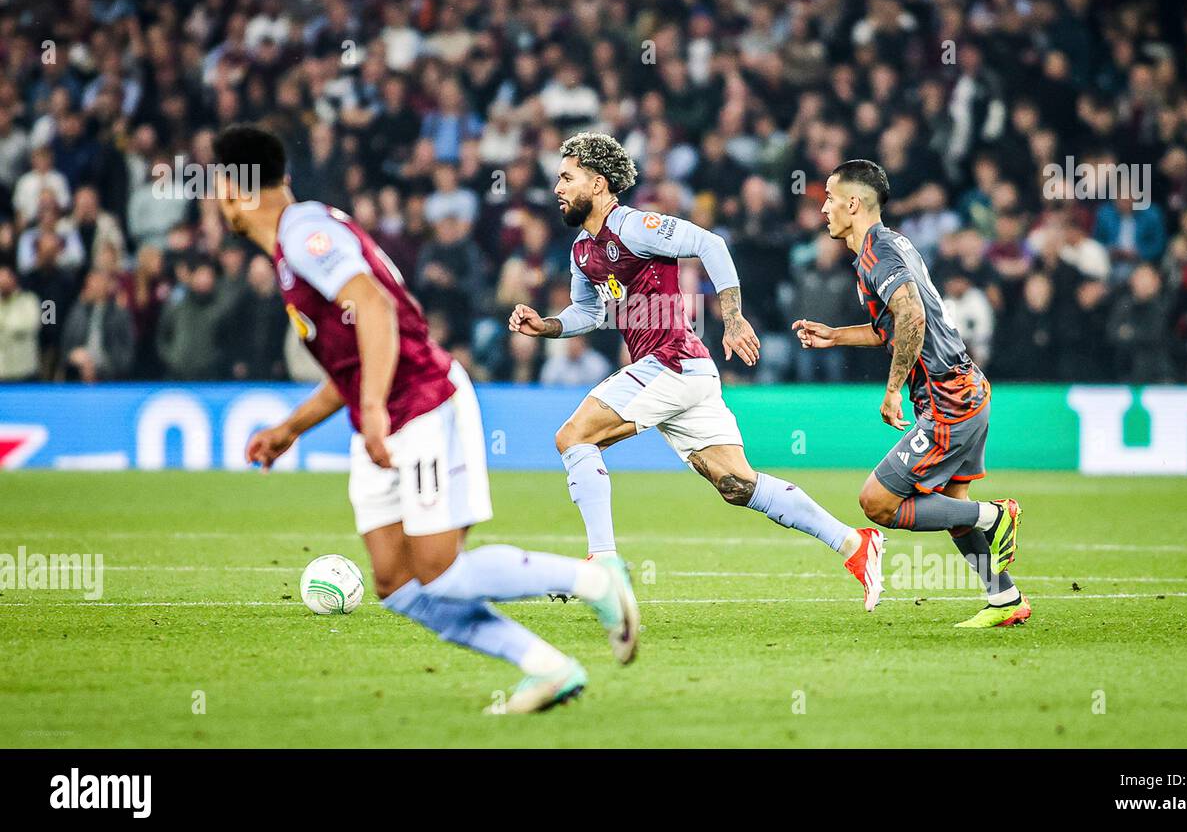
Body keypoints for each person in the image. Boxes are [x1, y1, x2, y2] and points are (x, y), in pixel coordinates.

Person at [210, 124, 639, 714]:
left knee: (437, 570)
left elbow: (376, 308)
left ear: (235, 190)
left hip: (423, 401)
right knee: (397, 584)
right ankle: (548, 667)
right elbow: (352, 358)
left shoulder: (304, 230)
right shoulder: (294, 246)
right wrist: (291, 429)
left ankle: (595, 580)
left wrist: (371, 410)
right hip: (384, 417)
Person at [509, 133, 885, 610]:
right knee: (737, 484)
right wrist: (546, 326)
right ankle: (855, 546)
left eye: (567, 177)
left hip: (669, 363)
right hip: (687, 373)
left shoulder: (635, 226)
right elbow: (588, 312)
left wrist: (732, 318)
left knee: (574, 437)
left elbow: (710, 243)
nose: (557, 187)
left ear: (599, 184)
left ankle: (602, 561)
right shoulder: (583, 249)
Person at [792, 159, 1028, 628]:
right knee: (952, 512)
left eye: (830, 199)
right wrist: (834, 336)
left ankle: (996, 515)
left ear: (853, 204)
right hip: (966, 388)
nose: (823, 209)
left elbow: (913, 316)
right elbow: (892, 327)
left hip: (947, 399)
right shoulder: (888, 246)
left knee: (877, 501)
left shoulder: (879, 253)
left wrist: (893, 390)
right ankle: (1005, 599)